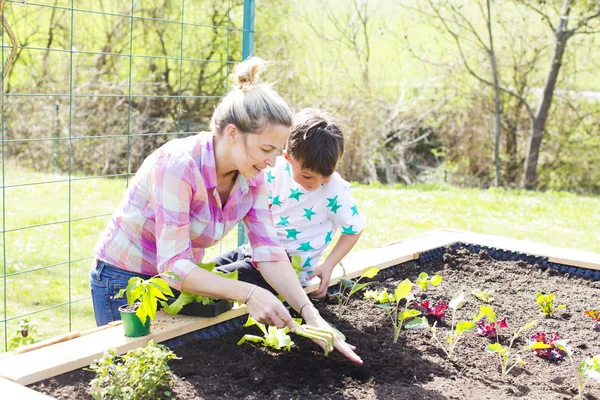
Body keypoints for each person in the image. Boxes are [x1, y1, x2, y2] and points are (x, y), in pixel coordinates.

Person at [90, 57, 362, 364]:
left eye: (277, 151)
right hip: (125, 279)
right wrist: (249, 293)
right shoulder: (178, 165)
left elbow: (269, 251)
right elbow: (173, 265)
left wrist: (310, 315)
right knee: (130, 372)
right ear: (233, 133)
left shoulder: (252, 177)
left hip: (181, 279)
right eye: (266, 149)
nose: (273, 162)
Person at [214, 108, 366, 297]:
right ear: (288, 158)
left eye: (325, 176)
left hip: (286, 272)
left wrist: (329, 265)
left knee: (216, 278)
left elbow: (355, 228)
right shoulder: (272, 171)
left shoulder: (335, 191)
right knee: (205, 270)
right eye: (307, 175)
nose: (316, 183)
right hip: (254, 252)